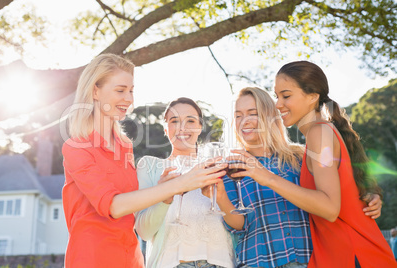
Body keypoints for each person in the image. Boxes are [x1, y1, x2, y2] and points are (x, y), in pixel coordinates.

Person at [61, 55, 226, 268]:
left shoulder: (124, 146)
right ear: (95, 91)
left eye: (131, 90)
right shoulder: (77, 147)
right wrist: (179, 185)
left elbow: (134, 207)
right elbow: (113, 206)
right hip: (92, 257)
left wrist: (162, 189)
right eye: (120, 90)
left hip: (131, 258)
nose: (129, 99)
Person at [227, 61, 395, 267]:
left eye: (286, 96)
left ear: (313, 96)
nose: (278, 104)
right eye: (277, 96)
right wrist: (370, 193)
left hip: (356, 255)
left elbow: (329, 207)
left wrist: (267, 177)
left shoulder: (319, 133)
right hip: (338, 256)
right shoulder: (317, 138)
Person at [135, 97, 236, 268]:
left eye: (190, 120)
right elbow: (144, 232)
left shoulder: (217, 165)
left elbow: (237, 221)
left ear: (200, 127)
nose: (182, 127)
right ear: (165, 128)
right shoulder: (150, 166)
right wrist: (166, 195)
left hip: (221, 263)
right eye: (175, 121)